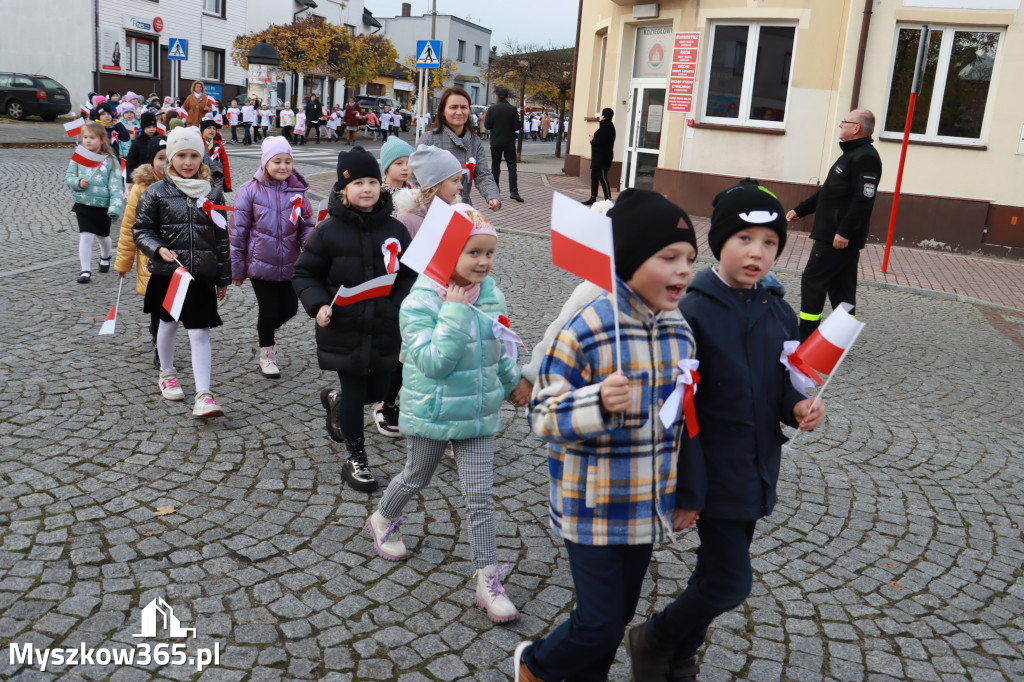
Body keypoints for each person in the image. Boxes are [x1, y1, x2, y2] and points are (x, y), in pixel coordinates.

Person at [624, 179, 826, 681]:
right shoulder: (690, 308)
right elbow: (678, 408)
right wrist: (686, 487)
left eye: (770, 243)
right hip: (709, 469)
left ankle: (679, 653)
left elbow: (780, 385)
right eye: (744, 239)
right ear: (720, 243)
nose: (757, 253)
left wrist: (798, 406)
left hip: (756, 466)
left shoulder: (779, 310)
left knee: (714, 573)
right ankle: (654, 638)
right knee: (731, 583)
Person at [515, 189, 700, 682]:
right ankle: (534, 666)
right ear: (631, 259)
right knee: (597, 624)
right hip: (591, 504)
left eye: (690, 259)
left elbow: (680, 420)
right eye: (669, 258)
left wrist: (684, 491)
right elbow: (541, 414)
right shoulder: (584, 328)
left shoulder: (680, 331)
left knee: (615, 621)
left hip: (644, 504)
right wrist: (596, 402)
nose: (684, 270)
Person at [365, 204, 530, 622]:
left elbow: (499, 345)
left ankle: (487, 578)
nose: (484, 262)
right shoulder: (419, 301)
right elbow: (434, 363)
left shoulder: (491, 294)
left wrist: (514, 382)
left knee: (479, 496)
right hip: (432, 411)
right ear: (446, 253)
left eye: (489, 253)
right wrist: (455, 312)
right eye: (474, 252)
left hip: (476, 412)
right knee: (416, 476)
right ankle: (383, 517)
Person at [292, 147, 416, 491]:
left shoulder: (396, 228)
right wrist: (319, 306)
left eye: (373, 181)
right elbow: (304, 273)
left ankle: (336, 401)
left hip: (385, 326)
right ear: (342, 190)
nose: (367, 188)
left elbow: (409, 274)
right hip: (344, 326)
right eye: (358, 182)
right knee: (354, 385)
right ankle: (356, 457)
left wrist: (397, 304)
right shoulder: (327, 232)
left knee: (378, 388)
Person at [133, 126, 231, 419]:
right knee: (167, 324)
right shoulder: (155, 193)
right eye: (181, 156)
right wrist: (157, 248)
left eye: (193, 156)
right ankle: (167, 372)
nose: (187, 162)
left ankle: (204, 394)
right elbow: (141, 230)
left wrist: (223, 277)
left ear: (201, 159)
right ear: (170, 158)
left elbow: (222, 237)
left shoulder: (212, 192)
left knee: (200, 332)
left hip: (201, 274)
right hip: (169, 274)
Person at [786, 109, 882, 341]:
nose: (840, 125)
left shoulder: (865, 157)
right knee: (842, 288)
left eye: (844, 122)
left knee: (813, 281)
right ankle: (841, 339)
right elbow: (828, 191)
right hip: (836, 234)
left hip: (837, 237)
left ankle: (806, 337)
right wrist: (801, 209)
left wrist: (844, 231)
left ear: (857, 128)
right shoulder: (850, 155)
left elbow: (864, 199)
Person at [231, 137, 315, 378]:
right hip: (260, 264)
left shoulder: (297, 191)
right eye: (277, 161)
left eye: (288, 161)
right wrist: (237, 270)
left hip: (290, 263)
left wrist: (309, 247)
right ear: (265, 162)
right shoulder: (249, 190)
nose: (283, 166)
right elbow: (238, 232)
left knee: (289, 308)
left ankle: (269, 329)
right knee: (268, 310)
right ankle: (267, 353)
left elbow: (306, 224)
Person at [115, 135, 167, 368]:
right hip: (150, 254)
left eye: (169, 158)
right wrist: (123, 263)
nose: (165, 164)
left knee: (171, 304)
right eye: (160, 158)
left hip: (177, 255)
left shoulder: (184, 182)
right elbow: (129, 227)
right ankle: (159, 346)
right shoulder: (141, 188)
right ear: (152, 159)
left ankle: (164, 339)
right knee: (158, 303)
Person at [419, 87, 501, 211]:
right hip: (432, 210)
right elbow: (415, 179)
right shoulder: (429, 139)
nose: (459, 112)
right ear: (442, 111)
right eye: (453, 107)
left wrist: (492, 196)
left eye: (463, 107)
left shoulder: (475, 141)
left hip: (463, 209)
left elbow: (483, 175)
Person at [65, 121, 124, 284]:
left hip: (102, 206)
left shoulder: (111, 160)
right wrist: (78, 182)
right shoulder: (78, 157)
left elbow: (116, 186)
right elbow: (68, 177)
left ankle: (105, 256)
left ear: (102, 140)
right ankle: (85, 270)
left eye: (92, 137)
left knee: (103, 237)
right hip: (83, 204)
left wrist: (115, 208)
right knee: (86, 236)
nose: (88, 140)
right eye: (85, 137)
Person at [393, 144, 464, 237]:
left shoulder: (456, 212)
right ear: (434, 185)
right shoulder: (407, 220)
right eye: (455, 180)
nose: (461, 187)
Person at [486, 87, 523, 203]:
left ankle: (495, 191)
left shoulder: (492, 109)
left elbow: (487, 125)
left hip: (495, 141)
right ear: (507, 96)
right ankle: (514, 191)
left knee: (495, 166)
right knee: (511, 166)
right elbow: (517, 126)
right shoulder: (512, 109)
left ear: (497, 96)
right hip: (509, 142)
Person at [583, 107, 615, 205]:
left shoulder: (607, 127)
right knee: (594, 177)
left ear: (604, 116)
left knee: (602, 177)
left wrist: (592, 139)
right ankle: (593, 198)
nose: (600, 116)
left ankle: (608, 199)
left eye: (601, 114)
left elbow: (601, 142)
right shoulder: (605, 126)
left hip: (603, 157)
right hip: (598, 157)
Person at [379, 136, 415, 214]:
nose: (405, 168)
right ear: (387, 166)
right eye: (399, 163)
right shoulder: (378, 192)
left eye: (409, 163)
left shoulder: (412, 191)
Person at [124, 111, 160, 183]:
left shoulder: (160, 139)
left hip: (158, 175)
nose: (151, 129)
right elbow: (131, 162)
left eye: (153, 127)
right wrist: (131, 180)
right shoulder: (138, 142)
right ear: (143, 127)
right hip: (142, 177)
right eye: (148, 127)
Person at [200, 119, 232, 193]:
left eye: (214, 128)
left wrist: (227, 185)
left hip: (216, 179)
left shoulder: (219, 146)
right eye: (208, 128)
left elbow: (225, 165)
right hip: (201, 177)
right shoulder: (198, 143)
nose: (212, 130)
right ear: (203, 130)